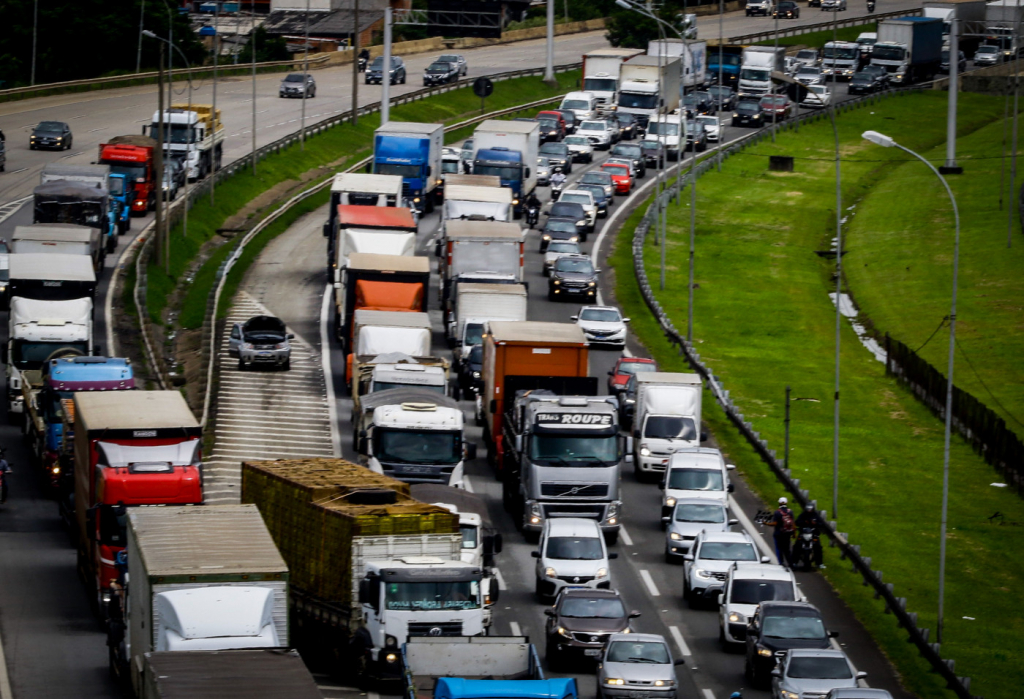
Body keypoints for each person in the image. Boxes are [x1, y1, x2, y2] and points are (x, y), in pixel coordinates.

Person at [765, 496, 796, 568]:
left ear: (779, 503)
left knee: (779, 549)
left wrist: (766, 523)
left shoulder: (777, 512)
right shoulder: (790, 511)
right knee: (787, 550)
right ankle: (791, 564)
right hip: (787, 534)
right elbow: (793, 523)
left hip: (779, 534)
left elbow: (775, 523)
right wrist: (794, 533)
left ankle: (781, 563)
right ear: (786, 503)